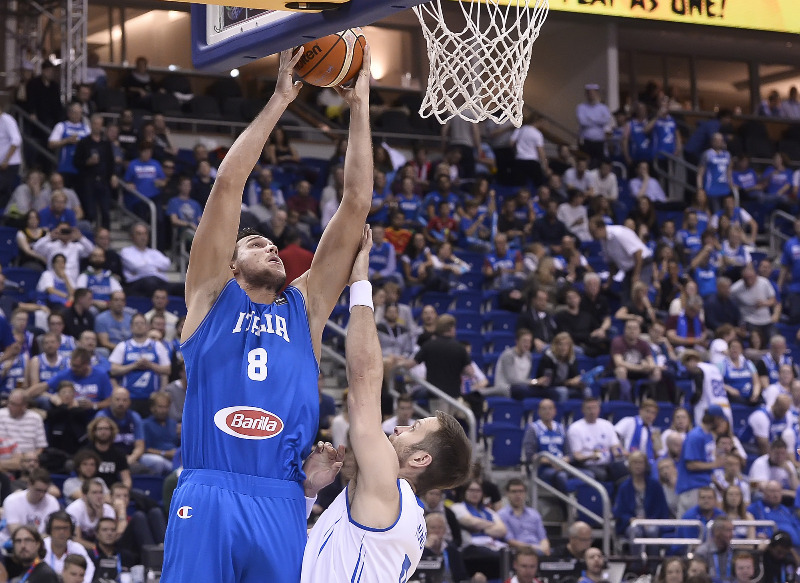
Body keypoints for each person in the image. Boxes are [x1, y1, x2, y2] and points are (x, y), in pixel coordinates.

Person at [162, 48, 377, 583]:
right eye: (255, 243)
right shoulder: (210, 296)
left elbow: (355, 204)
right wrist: (281, 99)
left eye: (273, 243)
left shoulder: (305, 309)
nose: (272, 247)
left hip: (281, 497)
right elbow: (228, 185)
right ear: (230, 265)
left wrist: (360, 107)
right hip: (210, 487)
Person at [301, 227, 472, 582]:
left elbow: (364, 379)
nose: (398, 427)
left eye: (414, 428)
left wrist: (360, 283)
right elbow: (309, 552)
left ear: (420, 459)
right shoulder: (399, 514)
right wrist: (309, 493)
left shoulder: (389, 489)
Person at [108, 313, 170, 416]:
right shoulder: (123, 346)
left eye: (142, 323)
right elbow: (113, 370)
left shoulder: (157, 345)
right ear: (131, 327)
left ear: (147, 327)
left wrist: (150, 365)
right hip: (129, 397)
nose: (139, 326)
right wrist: (134, 365)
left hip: (152, 397)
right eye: (136, 323)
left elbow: (167, 370)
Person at [675, 405, 727, 518]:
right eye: (721, 420)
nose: (722, 423)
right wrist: (715, 464)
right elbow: (690, 465)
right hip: (691, 487)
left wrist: (717, 484)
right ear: (715, 419)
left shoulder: (708, 436)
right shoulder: (695, 436)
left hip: (704, 486)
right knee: (689, 524)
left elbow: (706, 463)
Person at [567, 396, 628, 482]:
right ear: (583, 410)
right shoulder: (575, 428)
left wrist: (620, 452)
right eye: (589, 408)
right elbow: (577, 456)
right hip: (587, 465)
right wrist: (590, 457)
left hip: (607, 463)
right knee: (602, 474)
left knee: (623, 468)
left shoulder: (606, 424)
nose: (592, 411)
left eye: (594, 408)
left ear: (599, 409)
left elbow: (615, 446)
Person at [497, 478, 550, 556]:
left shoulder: (534, 514)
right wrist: (534, 548)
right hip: (517, 552)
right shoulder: (501, 515)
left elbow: (543, 538)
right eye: (514, 491)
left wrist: (545, 548)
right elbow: (510, 541)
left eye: (521, 491)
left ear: (525, 493)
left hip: (538, 550)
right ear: (507, 494)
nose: (517, 495)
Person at [3, 468, 61, 535]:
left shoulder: (52, 502)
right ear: (29, 485)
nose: (41, 494)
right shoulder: (12, 501)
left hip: (41, 540)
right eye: (38, 490)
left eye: (45, 491)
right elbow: (15, 533)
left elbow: (54, 532)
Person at [42, 511, 95, 582]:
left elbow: (89, 570)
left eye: (65, 528)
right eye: (57, 528)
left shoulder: (77, 548)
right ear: (50, 530)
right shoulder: (41, 546)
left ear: (71, 530)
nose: (62, 532)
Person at [66, 478, 115, 550]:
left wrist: (101, 516)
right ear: (84, 496)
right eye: (94, 493)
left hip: (99, 546)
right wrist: (98, 549)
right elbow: (76, 540)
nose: (99, 496)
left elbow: (111, 537)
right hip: (80, 548)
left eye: (101, 492)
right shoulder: (74, 509)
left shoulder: (108, 510)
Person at [89, 517, 137, 582]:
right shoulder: (89, 556)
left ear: (116, 534)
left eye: (113, 530)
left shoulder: (126, 556)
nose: (109, 533)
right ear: (97, 534)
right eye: (104, 530)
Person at [694, 516, 735, 583]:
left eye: (732, 530)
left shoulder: (732, 551)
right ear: (717, 532)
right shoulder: (702, 553)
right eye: (728, 530)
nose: (732, 534)